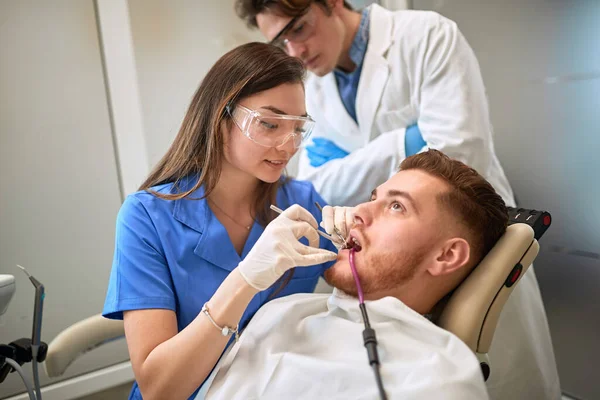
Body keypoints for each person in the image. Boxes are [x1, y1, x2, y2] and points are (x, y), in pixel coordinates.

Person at [235, 2, 561, 398]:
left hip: (467, 249)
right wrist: (406, 139)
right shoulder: (313, 88)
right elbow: (320, 184)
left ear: (335, 3)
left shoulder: (426, 37)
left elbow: (459, 150)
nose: (295, 51)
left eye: (300, 28)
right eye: (281, 40)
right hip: (390, 278)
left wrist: (351, 162)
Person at [102, 42, 340, 400]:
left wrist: (366, 225)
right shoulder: (146, 218)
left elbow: (364, 276)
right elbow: (158, 389)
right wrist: (243, 281)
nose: (288, 145)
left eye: (297, 127)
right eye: (270, 124)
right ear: (220, 116)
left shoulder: (301, 202)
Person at [202, 150, 503, 399]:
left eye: (397, 206)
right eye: (373, 197)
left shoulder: (438, 380)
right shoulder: (279, 313)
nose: (358, 210)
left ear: (446, 256)